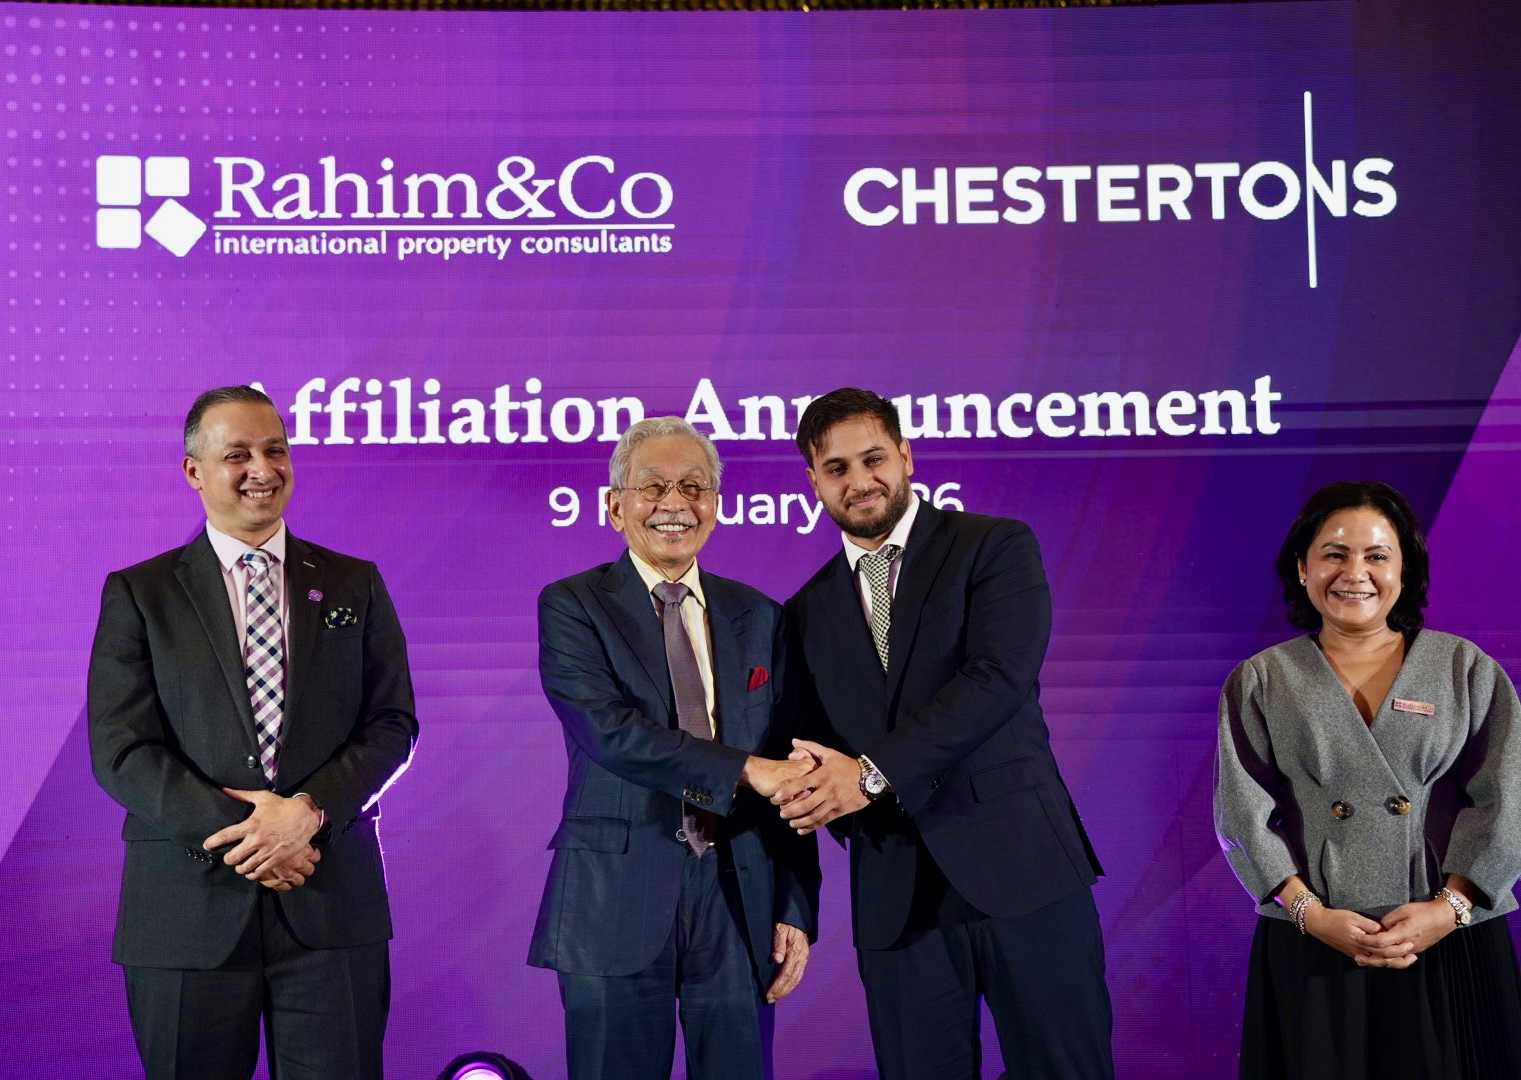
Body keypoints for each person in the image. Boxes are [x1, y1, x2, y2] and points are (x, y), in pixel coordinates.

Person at [771, 387, 1114, 1080]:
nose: (859, 481)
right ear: (813, 482)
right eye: (836, 468)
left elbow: (997, 679)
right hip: (895, 902)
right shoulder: (801, 614)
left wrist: (869, 775)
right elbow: (808, 756)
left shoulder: (993, 546)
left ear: (905, 456)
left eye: (873, 458)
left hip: (1023, 870)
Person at [88, 385, 419, 1079]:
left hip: (330, 900)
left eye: (275, 450)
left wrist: (308, 814)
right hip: (186, 909)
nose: (262, 469)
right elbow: (122, 748)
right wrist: (251, 837)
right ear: (194, 470)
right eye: (237, 454)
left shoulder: (354, 582)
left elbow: (392, 725)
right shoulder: (141, 593)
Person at [529, 416, 820, 1080]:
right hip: (613, 895)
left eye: (693, 486)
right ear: (615, 506)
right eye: (653, 486)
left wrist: (794, 905)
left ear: (715, 505)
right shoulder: (573, 606)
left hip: (739, 896)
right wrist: (747, 769)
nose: (674, 503)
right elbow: (612, 734)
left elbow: (791, 763)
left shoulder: (760, 616)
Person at [1214, 480, 1521, 1079]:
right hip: (1315, 939)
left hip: (1449, 936)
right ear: (1302, 567)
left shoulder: (1465, 668)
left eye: (1377, 555)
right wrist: (1310, 914)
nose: (1355, 573)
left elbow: (1507, 800)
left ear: (1404, 571)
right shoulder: (1261, 680)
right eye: (1335, 553)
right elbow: (1243, 815)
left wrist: (1449, 909)